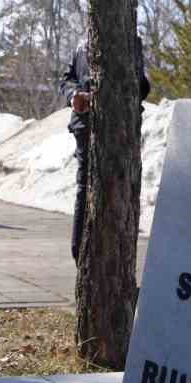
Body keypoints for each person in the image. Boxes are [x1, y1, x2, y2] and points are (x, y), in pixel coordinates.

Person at [63, 34, 151, 262]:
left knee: (97, 186)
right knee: (93, 185)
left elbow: (138, 85)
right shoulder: (84, 41)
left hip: (108, 124)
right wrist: (74, 96)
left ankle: (86, 253)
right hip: (91, 123)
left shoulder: (91, 38)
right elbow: (67, 80)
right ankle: (84, 253)